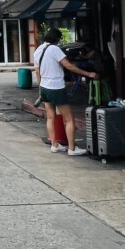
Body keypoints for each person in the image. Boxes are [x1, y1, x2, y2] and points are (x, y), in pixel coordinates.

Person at [33, 28, 98, 156]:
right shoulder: (54, 49)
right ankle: (72, 149)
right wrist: (88, 74)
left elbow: (37, 71)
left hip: (44, 87)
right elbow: (68, 66)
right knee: (69, 119)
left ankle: (54, 145)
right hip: (56, 87)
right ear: (56, 38)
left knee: (50, 117)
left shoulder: (38, 50)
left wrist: (41, 88)